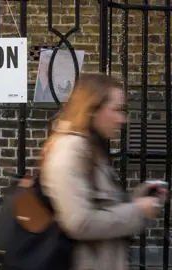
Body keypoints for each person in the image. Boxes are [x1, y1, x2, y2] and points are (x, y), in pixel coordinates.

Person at [40, 73, 166, 270]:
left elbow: (99, 206)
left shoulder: (91, 147)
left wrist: (138, 198)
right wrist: (137, 210)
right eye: (115, 110)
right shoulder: (70, 149)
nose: (121, 119)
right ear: (92, 110)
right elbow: (79, 223)